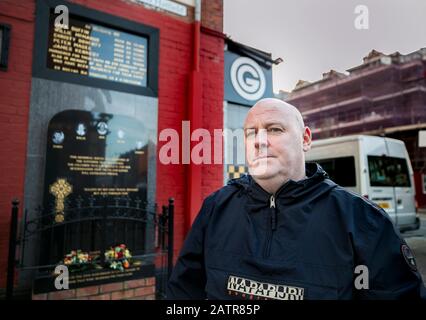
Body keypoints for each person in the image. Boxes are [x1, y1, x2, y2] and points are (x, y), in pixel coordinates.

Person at [167, 98, 426, 300]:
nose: (259, 141)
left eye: (274, 129)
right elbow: (184, 292)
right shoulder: (216, 209)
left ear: (305, 139)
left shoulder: (363, 221)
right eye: (250, 133)